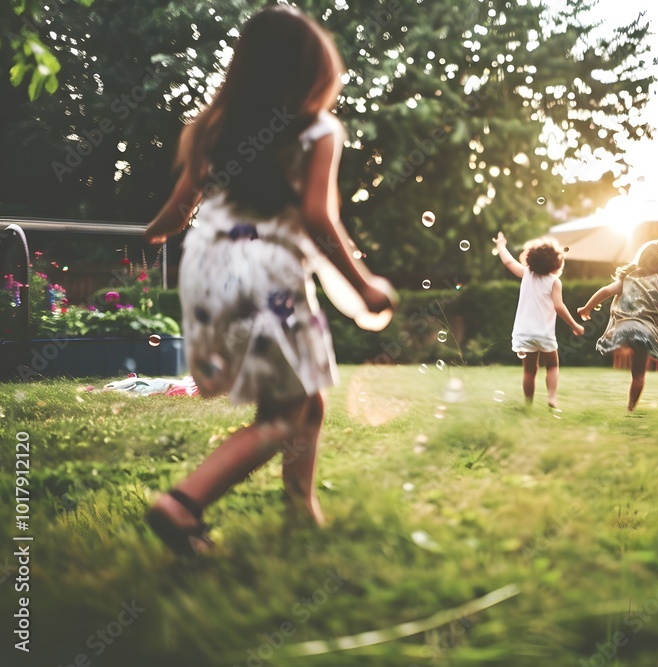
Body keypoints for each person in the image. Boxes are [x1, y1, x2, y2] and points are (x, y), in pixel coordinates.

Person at [143, 5, 395, 555]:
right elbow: (317, 216)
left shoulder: (210, 130)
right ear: (308, 79)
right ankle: (184, 503)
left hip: (206, 272)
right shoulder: (318, 130)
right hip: (266, 275)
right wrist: (365, 282)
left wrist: (154, 232)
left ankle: (301, 506)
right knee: (284, 414)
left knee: (308, 395)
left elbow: (179, 207)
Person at [578, 241, 658, 412]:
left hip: (625, 325)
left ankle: (616, 339)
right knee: (638, 375)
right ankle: (630, 408)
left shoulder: (628, 279)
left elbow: (605, 291)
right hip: (645, 332)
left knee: (622, 332)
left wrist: (587, 308)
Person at [493, 232, 585, 408]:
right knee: (552, 365)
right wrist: (575, 325)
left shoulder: (527, 274)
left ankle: (528, 403)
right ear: (555, 264)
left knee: (529, 370)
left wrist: (501, 245)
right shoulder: (554, 282)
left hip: (524, 333)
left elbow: (508, 261)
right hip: (544, 333)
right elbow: (559, 307)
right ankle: (551, 397)